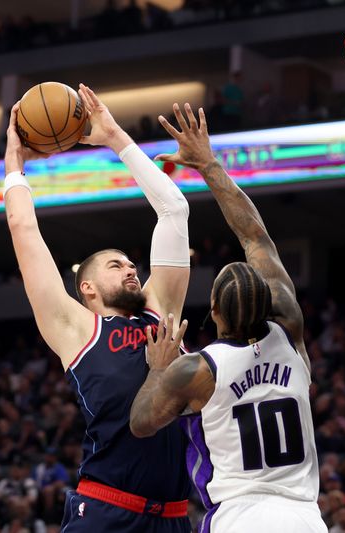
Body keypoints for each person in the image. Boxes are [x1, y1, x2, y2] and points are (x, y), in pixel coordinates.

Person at [129, 103, 326, 532]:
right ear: (270, 302)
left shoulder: (196, 369)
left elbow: (142, 422)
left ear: (214, 311)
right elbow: (255, 237)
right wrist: (209, 164)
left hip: (240, 519)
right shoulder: (290, 331)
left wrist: (157, 370)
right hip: (305, 519)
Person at [3, 83, 192, 532]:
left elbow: (174, 210)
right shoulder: (73, 327)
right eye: (115, 265)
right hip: (107, 511)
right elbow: (23, 230)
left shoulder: (159, 309)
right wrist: (15, 161)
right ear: (86, 287)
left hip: (176, 517)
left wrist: (115, 138)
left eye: (131, 263)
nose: (130, 269)